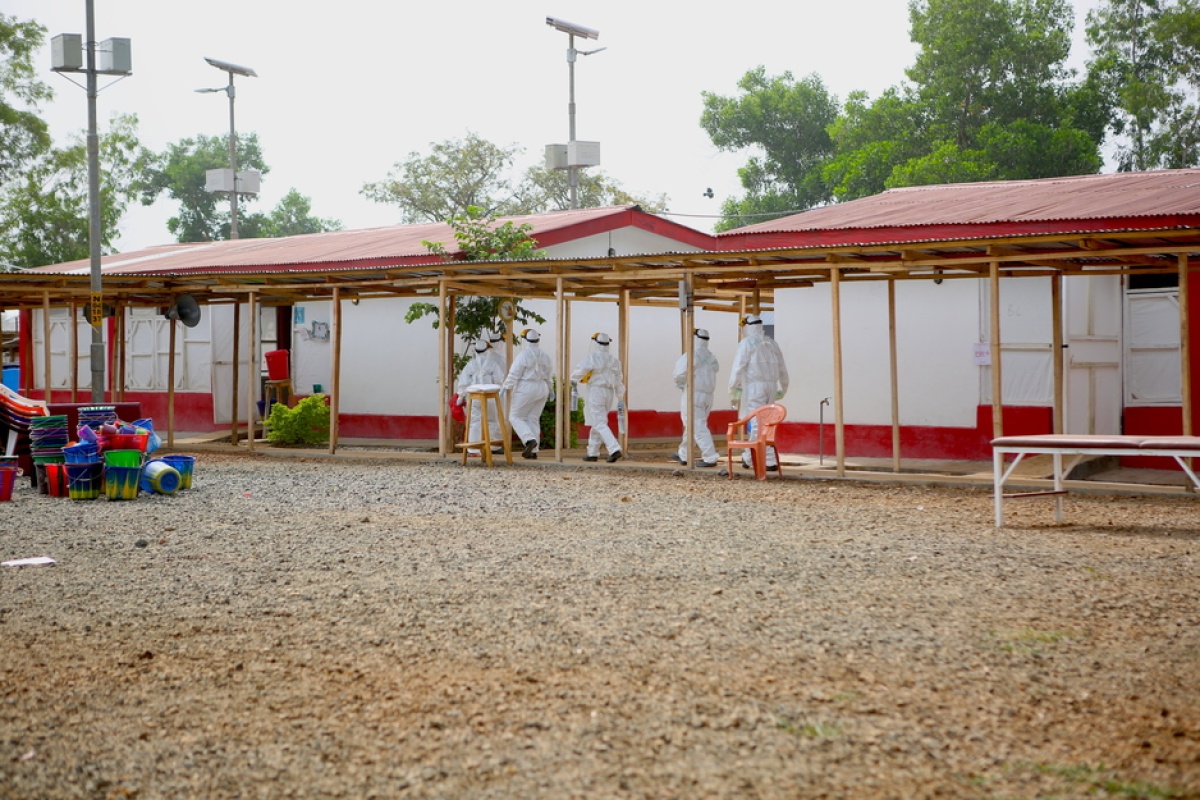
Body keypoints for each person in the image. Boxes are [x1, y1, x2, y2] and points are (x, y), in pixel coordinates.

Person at [728, 313, 788, 470]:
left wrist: (732, 389)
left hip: (755, 388)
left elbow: (737, 367)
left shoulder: (746, 343)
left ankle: (765, 459)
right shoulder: (771, 343)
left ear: (747, 326)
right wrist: (784, 386)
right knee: (767, 422)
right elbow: (782, 367)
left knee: (757, 423)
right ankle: (750, 457)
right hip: (771, 387)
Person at [571, 332, 625, 463]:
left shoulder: (592, 358)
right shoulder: (614, 361)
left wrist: (572, 380)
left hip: (596, 391)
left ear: (595, 343)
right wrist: (620, 395)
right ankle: (593, 452)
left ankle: (614, 448)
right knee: (598, 422)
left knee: (599, 422)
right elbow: (619, 379)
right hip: (609, 393)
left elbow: (579, 371)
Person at [670, 328, 720, 467]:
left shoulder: (691, 355)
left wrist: (681, 384)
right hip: (708, 396)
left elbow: (678, 375)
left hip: (693, 394)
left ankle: (710, 456)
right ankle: (684, 454)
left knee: (697, 426)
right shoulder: (711, 357)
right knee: (692, 425)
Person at [502, 328, 554, 459]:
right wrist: (551, 389)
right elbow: (549, 375)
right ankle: (533, 451)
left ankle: (529, 440)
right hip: (542, 387)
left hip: (526, 387)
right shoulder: (545, 355)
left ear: (524, 339)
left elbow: (514, 373)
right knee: (533, 418)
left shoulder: (523, 355)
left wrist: (506, 387)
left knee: (515, 417)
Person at [455, 338, 506, 456]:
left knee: (474, 421)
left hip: (474, 397)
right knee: (492, 420)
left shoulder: (470, 365)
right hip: (491, 397)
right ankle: (494, 447)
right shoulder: (493, 364)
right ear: (487, 350)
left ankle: (473, 448)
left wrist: (460, 396)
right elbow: (499, 380)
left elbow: (463, 382)